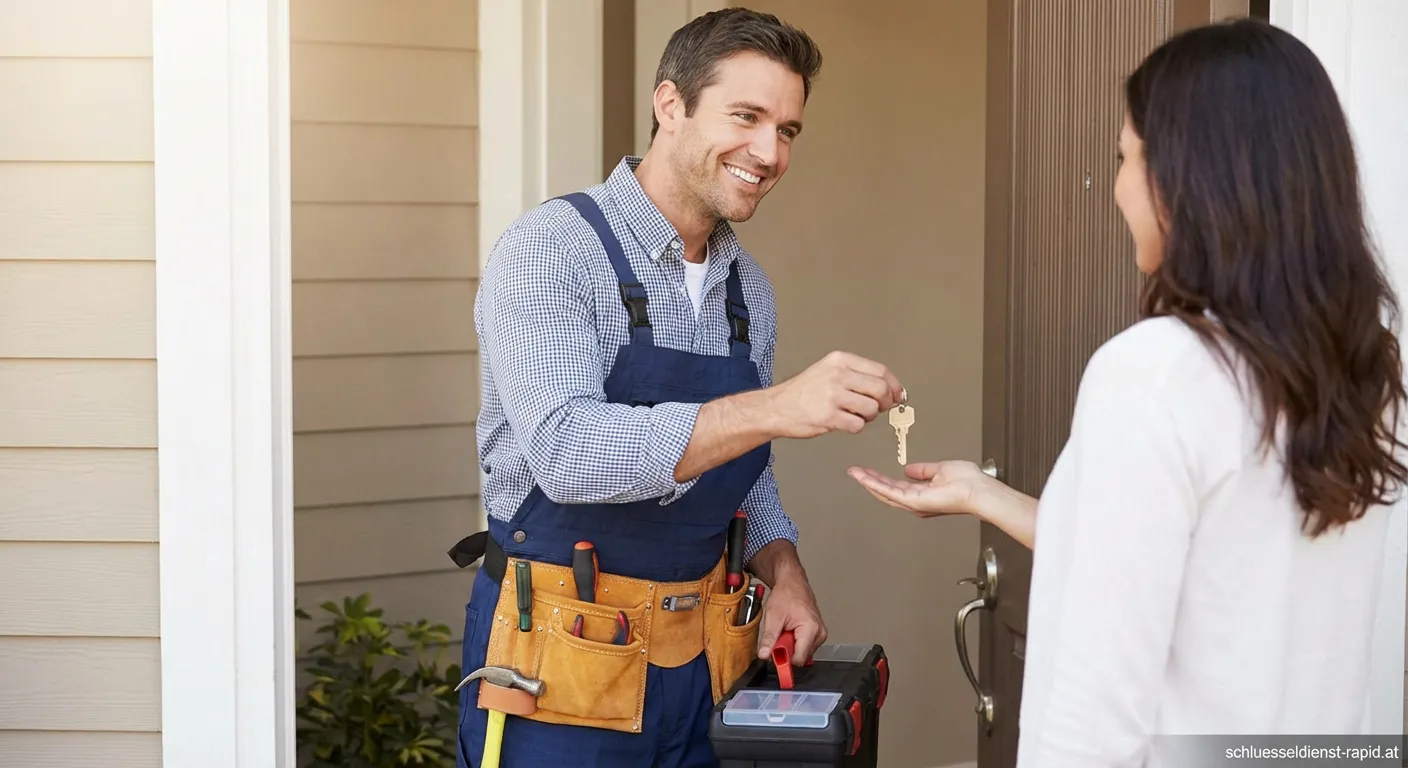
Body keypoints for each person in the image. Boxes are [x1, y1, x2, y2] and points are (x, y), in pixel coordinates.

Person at [849, 18, 1406, 767]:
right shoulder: (1366, 371)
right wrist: (982, 497)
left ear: (1190, 177)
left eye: (1125, 158)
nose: (1114, 188)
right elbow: (1197, 567)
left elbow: (1094, 709)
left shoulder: (1154, 372)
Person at [449, 8, 904, 768]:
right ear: (670, 104)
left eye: (787, 130)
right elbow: (566, 452)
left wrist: (782, 569)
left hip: (701, 669)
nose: (769, 151)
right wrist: (776, 405)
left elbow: (740, 470)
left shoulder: (745, 291)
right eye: (747, 117)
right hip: (555, 668)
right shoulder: (550, 252)